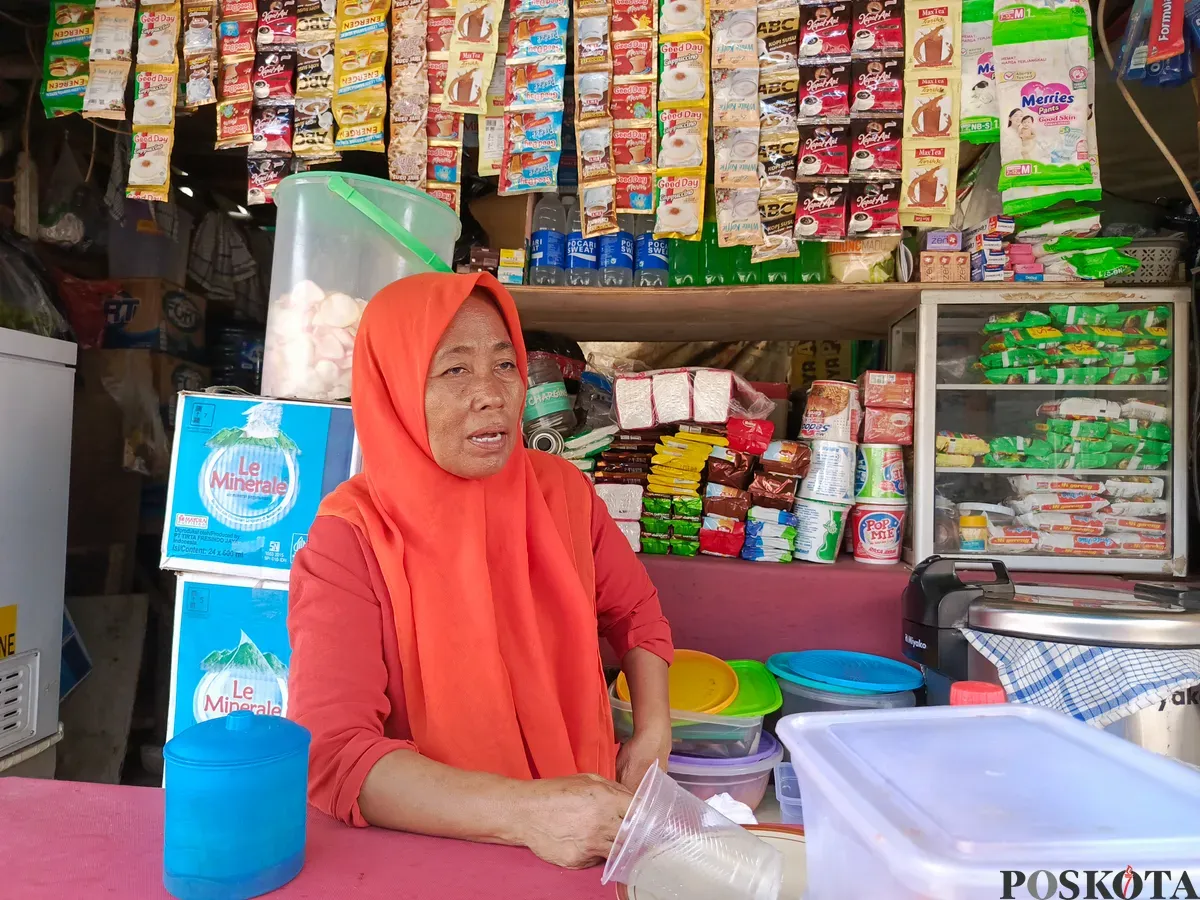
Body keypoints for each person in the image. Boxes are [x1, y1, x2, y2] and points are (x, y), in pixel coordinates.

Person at [287, 271, 674, 870]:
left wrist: (653, 728)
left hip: (588, 834)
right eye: (454, 370)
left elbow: (637, 615)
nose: (491, 393)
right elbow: (335, 755)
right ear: (394, 387)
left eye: (504, 364)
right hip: (443, 851)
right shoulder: (351, 538)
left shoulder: (561, 492)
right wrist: (527, 813)